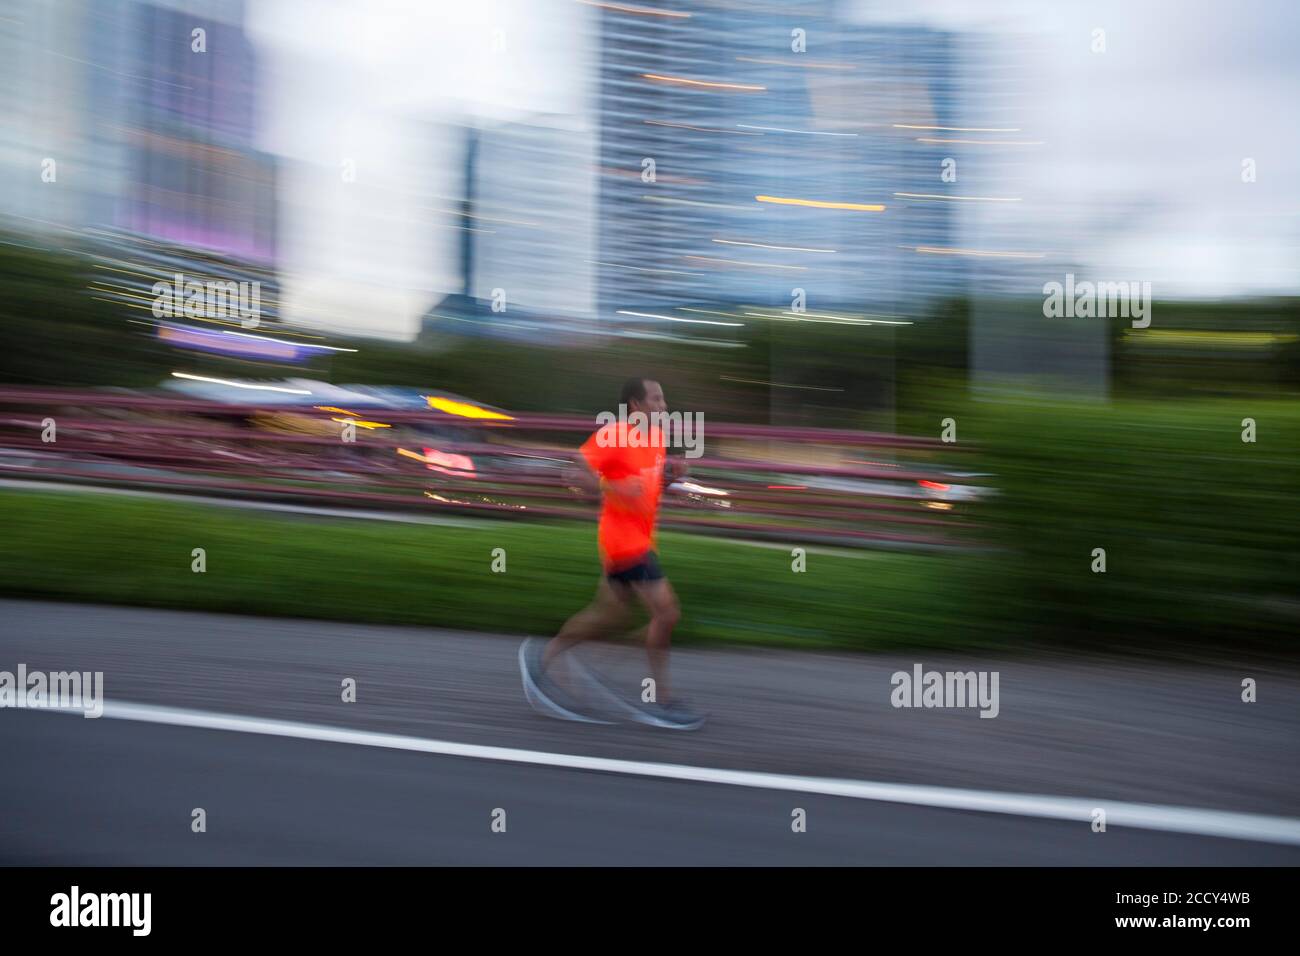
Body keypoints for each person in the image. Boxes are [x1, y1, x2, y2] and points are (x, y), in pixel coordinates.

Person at [519, 377, 704, 730]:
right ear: (636, 405)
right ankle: (660, 701)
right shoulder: (616, 434)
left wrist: (670, 478)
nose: (664, 406)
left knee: (609, 616)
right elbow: (575, 467)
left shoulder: (656, 439)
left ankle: (541, 660)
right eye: (656, 399)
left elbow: (647, 485)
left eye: (664, 399)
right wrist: (610, 485)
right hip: (624, 543)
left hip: (641, 541)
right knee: (666, 613)